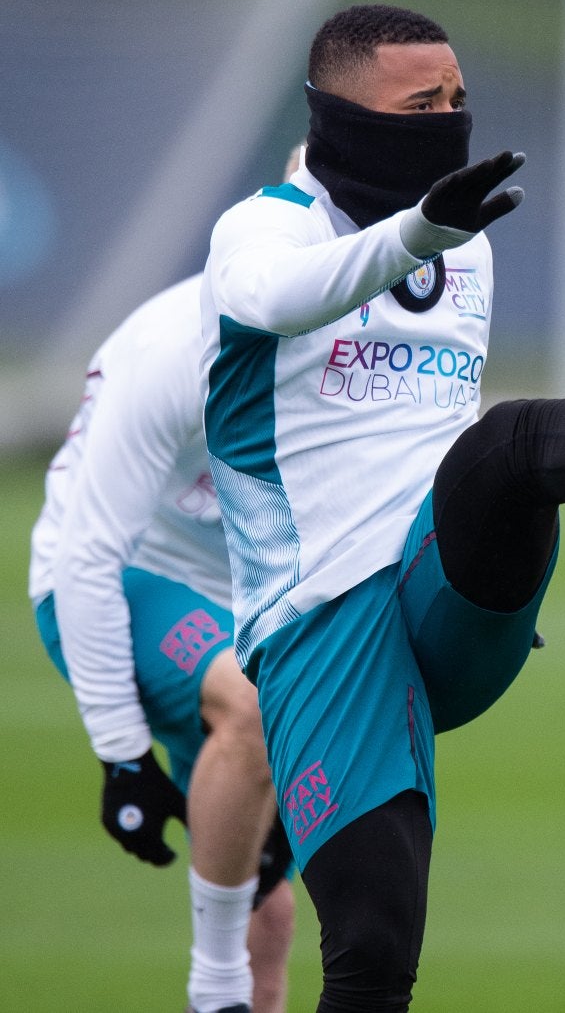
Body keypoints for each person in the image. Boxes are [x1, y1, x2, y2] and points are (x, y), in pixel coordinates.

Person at [198, 3, 565, 1012]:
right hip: (321, 620)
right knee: (373, 946)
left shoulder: (465, 244)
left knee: (502, 446)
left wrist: (431, 234)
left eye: (457, 100)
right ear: (342, 116)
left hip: (446, 580)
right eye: (421, 104)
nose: (447, 121)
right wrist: (417, 232)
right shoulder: (263, 226)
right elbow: (282, 297)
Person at [29, 274, 297, 1013]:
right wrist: (123, 758)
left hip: (244, 604)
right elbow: (86, 557)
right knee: (253, 708)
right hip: (118, 579)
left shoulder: (360, 334)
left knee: (266, 913)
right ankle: (213, 993)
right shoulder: (173, 346)